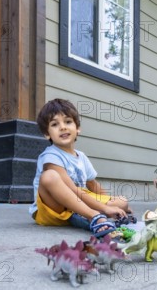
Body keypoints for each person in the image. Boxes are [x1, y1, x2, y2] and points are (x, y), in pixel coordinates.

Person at [29, 98, 132, 238]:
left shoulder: (81, 157)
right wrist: (103, 208)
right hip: (53, 209)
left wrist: (116, 205)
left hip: (78, 202)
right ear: (47, 134)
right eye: (54, 124)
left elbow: (93, 185)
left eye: (68, 122)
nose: (63, 127)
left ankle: (83, 215)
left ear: (77, 128)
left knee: (122, 201)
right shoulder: (50, 156)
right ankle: (93, 216)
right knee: (49, 176)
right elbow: (72, 190)